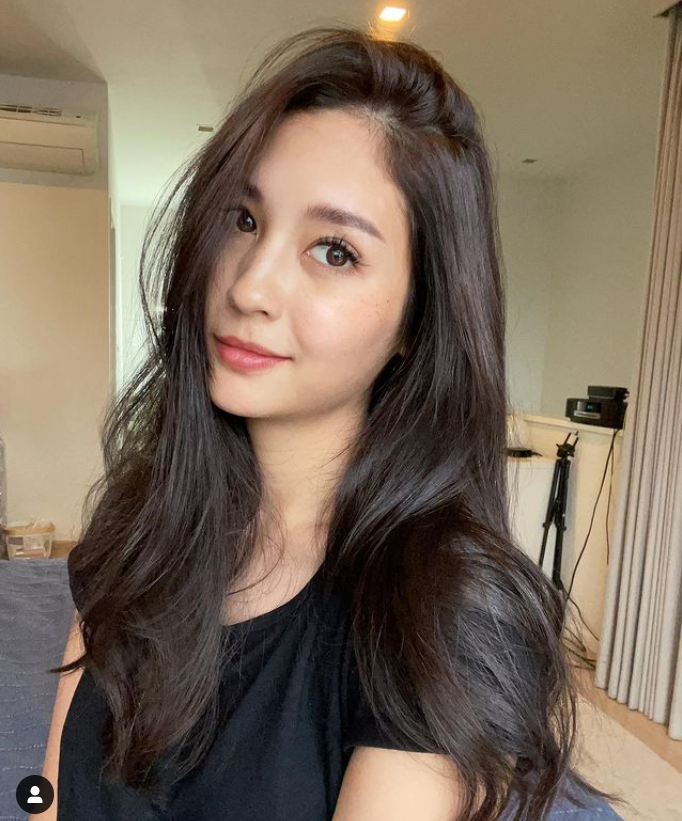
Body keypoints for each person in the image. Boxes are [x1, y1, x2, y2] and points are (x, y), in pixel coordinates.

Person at [41, 24, 625, 821]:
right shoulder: (144, 517)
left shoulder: (439, 618)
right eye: (244, 219)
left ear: (418, 317)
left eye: (335, 251)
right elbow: (50, 792)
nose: (249, 285)